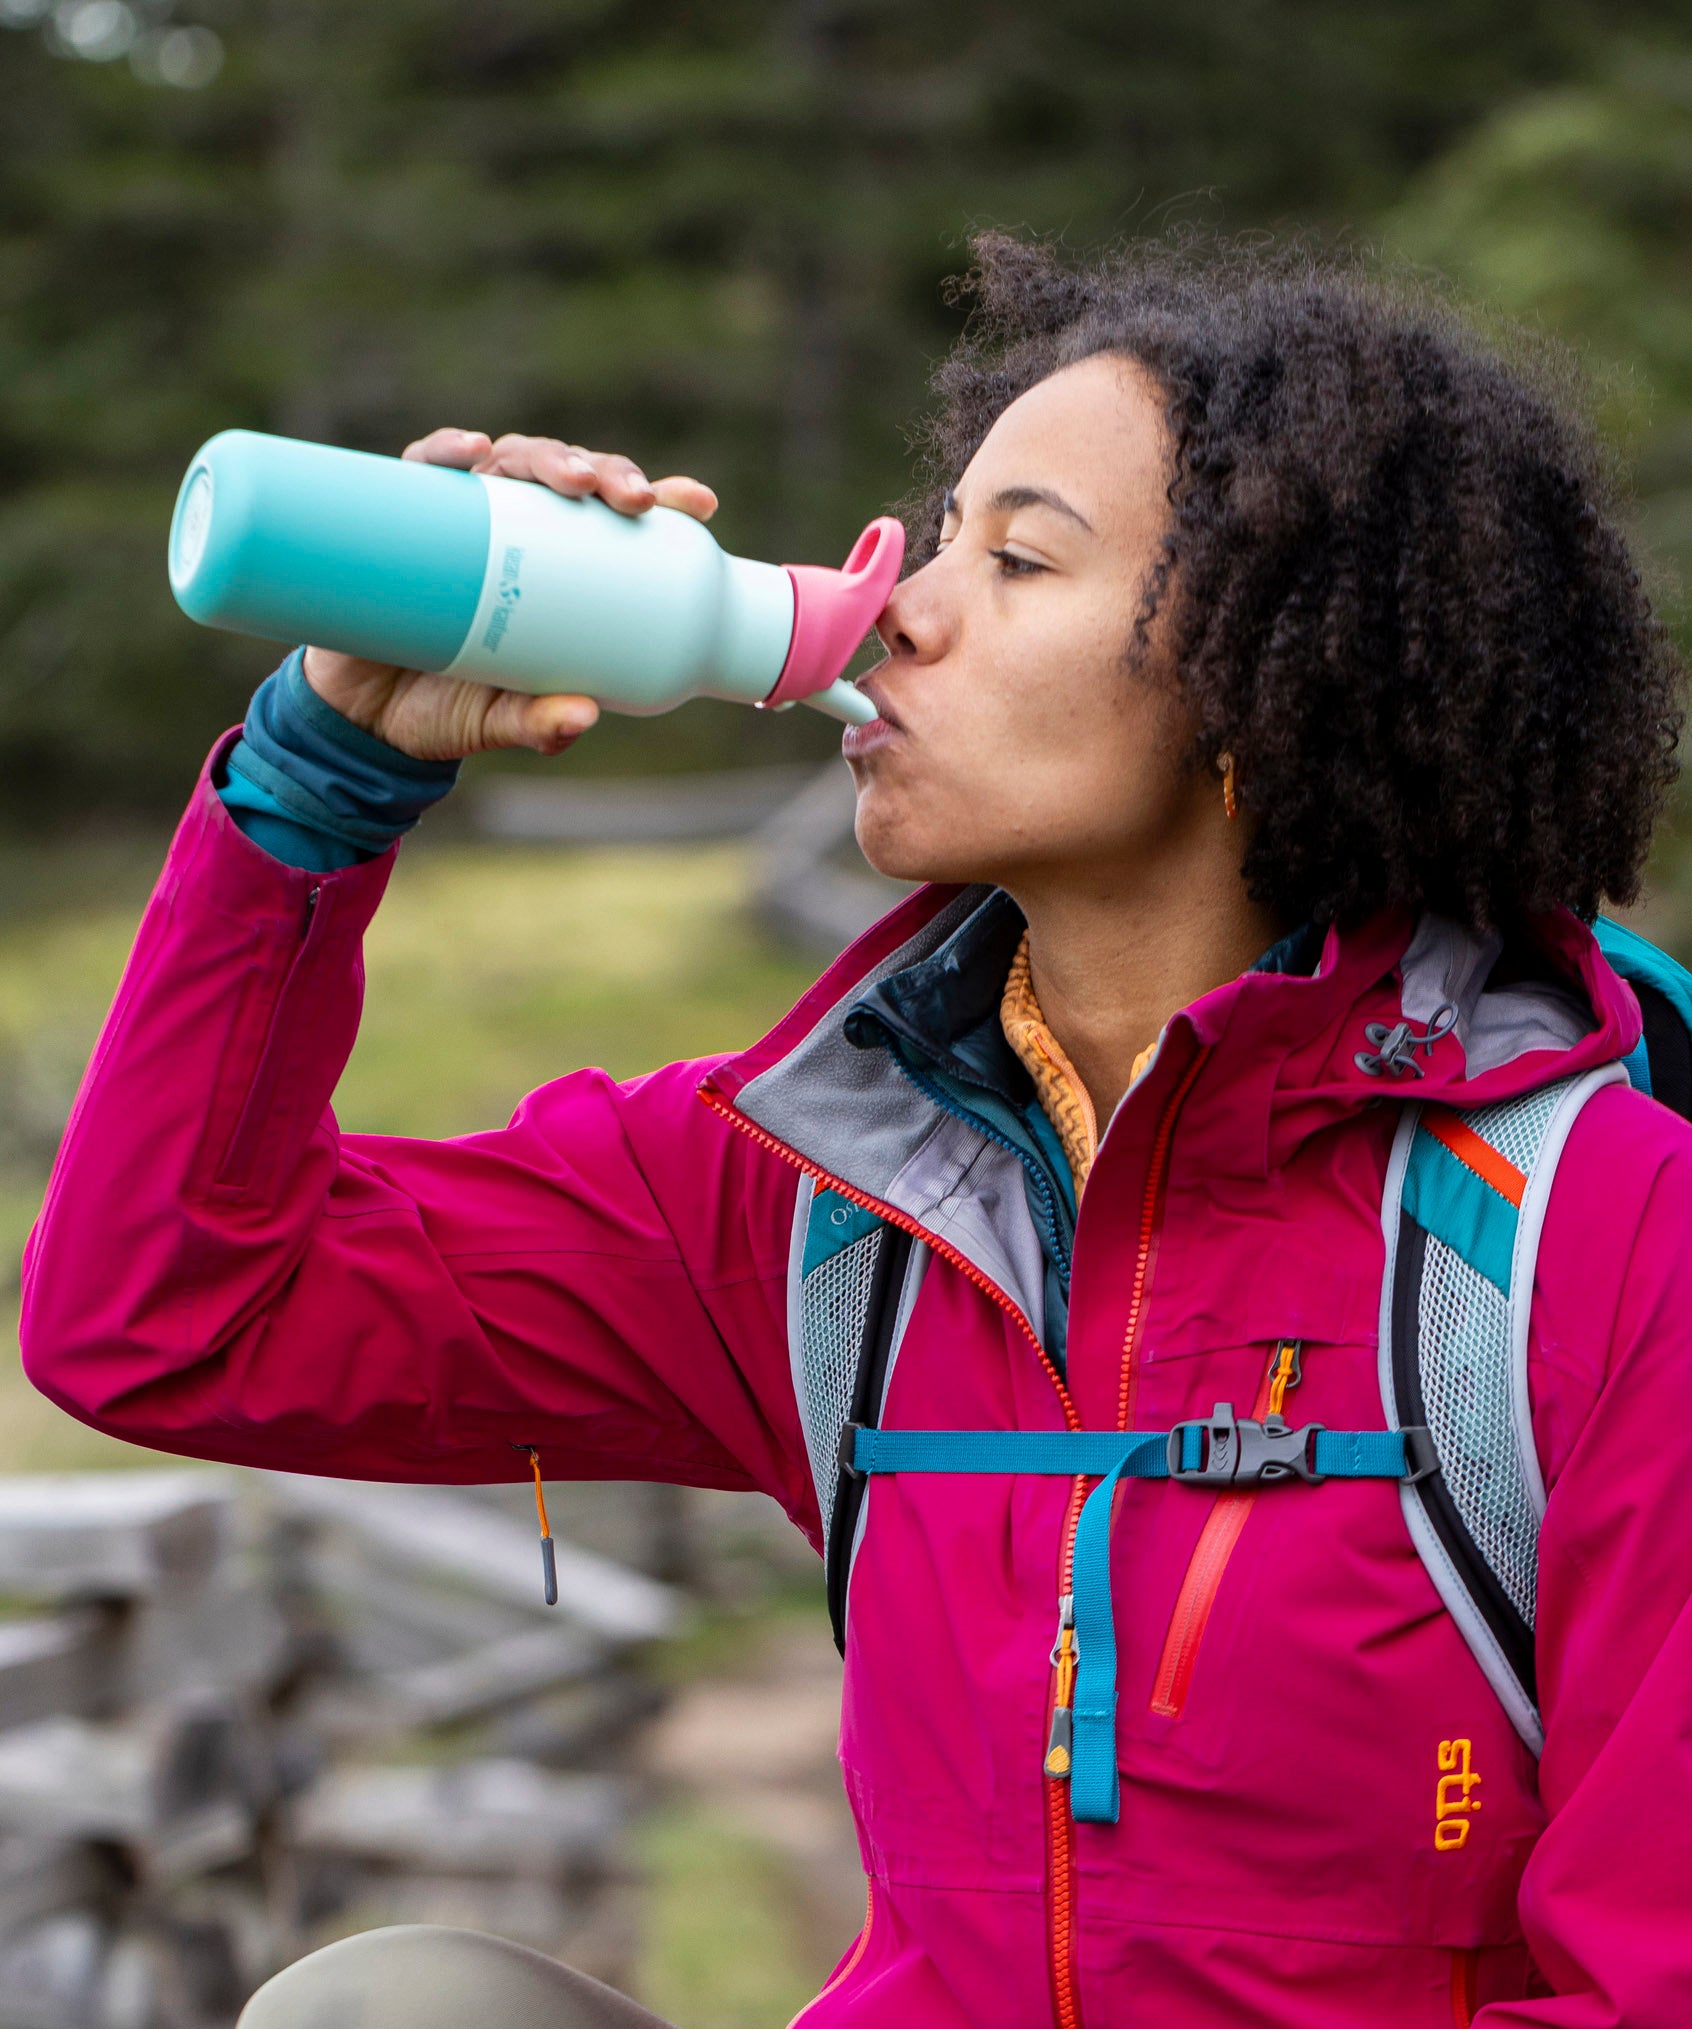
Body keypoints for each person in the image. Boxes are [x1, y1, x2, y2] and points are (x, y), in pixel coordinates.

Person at [18, 232, 1692, 2028]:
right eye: (939, 531)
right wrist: (322, 774)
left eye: (1019, 557)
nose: (901, 601)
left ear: (1276, 677)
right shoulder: (815, 1194)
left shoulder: (1592, 1239)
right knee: (390, 2006)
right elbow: (173, 1317)